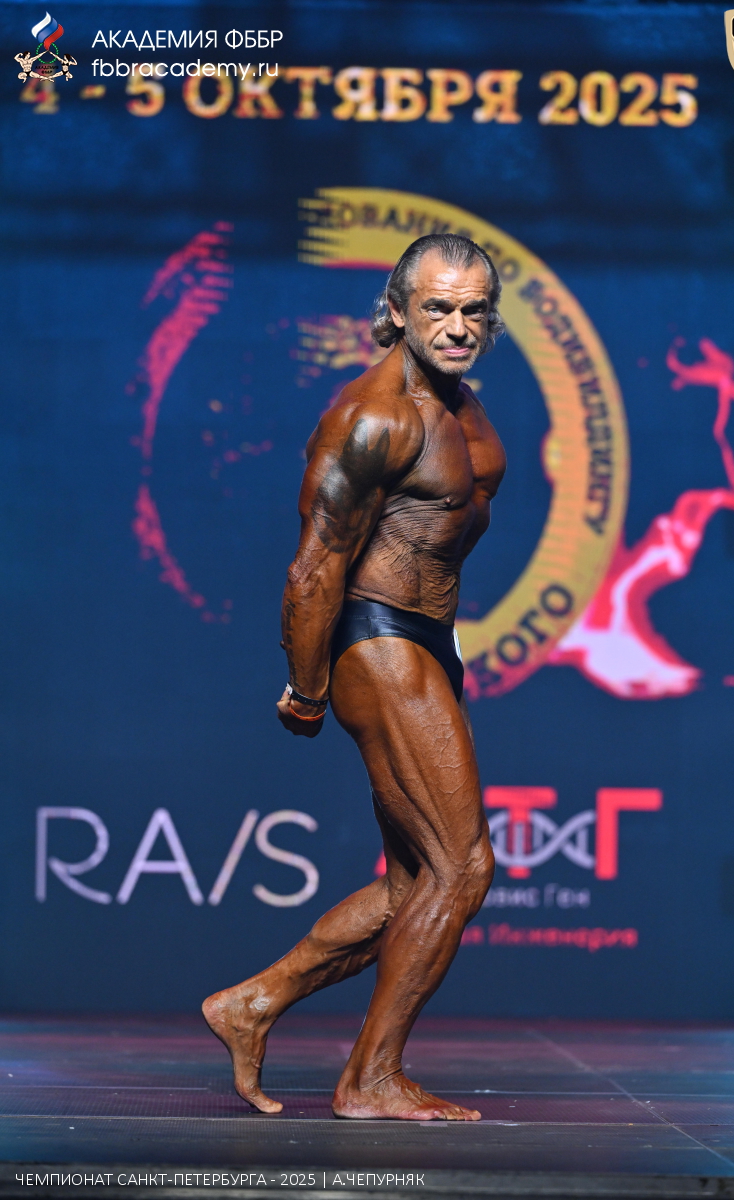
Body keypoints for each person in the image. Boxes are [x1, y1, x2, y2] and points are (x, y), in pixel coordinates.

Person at [203, 233, 507, 1121]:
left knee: (415, 884)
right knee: (462, 868)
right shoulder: (375, 418)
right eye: (438, 308)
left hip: (429, 639)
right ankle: (370, 1078)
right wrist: (306, 689)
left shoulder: (464, 406)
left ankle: (252, 1003)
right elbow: (314, 569)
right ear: (398, 311)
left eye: (474, 310)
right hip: (375, 640)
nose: (458, 326)